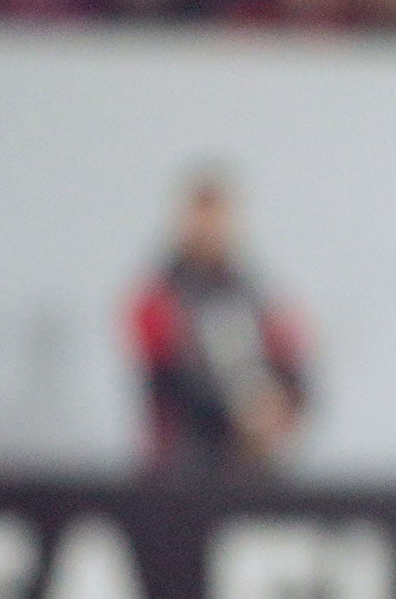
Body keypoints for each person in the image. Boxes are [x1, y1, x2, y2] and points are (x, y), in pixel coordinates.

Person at [128, 172, 309, 474]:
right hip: (184, 464)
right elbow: (167, 383)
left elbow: (292, 366)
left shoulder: (256, 296)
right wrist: (238, 416)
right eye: (201, 218)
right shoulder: (160, 298)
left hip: (254, 462)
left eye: (217, 218)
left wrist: (279, 409)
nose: (210, 230)